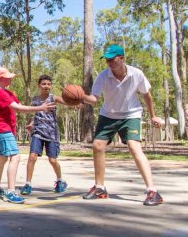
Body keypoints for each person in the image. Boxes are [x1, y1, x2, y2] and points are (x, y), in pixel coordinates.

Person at [80, 44, 165, 206]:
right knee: (97, 145)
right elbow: (94, 99)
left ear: (121, 58)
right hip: (108, 114)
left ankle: (152, 191)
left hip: (131, 114)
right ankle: (100, 188)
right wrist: (80, 97)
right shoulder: (103, 76)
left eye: (112, 59)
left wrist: (153, 115)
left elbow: (147, 95)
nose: (109, 63)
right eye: (107, 60)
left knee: (134, 146)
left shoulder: (136, 74)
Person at [0, 67, 55, 204]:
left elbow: (21, 107)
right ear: (0, 79)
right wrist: (41, 108)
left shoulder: (8, 93)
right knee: (15, 156)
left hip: (5, 129)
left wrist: (33, 121)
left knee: (2, 157)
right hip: (2, 128)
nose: (11, 78)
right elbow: (17, 108)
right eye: (8, 76)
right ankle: (10, 192)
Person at [21, 75, 76, 196]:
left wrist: (77, 102)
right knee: (32, 157)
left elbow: (67, 102)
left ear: (51, 86)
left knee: (52, 160)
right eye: (44, 84)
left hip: (51, 133)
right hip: (38, 132)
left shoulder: (54, 98)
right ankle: (28, 184)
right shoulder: (35, 99)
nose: (46, 86)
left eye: (49, 84)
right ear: (39, 85)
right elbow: (36, 114)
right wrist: (31, 124)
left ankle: (60, 180)